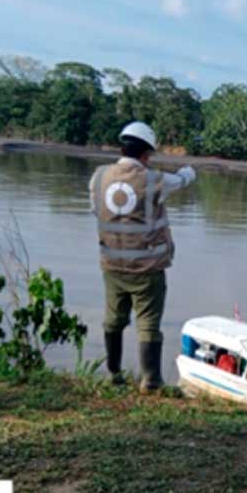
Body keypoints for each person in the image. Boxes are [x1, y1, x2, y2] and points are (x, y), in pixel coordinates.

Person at [89, 121, 197, 392]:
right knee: (148, 324)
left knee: (113, 319)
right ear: (146, 154)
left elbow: (96, 210)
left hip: (112, 265)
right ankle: (151, 380)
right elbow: (182, 180)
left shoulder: (99, 177)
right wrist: (190, 171)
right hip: (147, 269)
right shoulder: (153, 180)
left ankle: (113, 374)